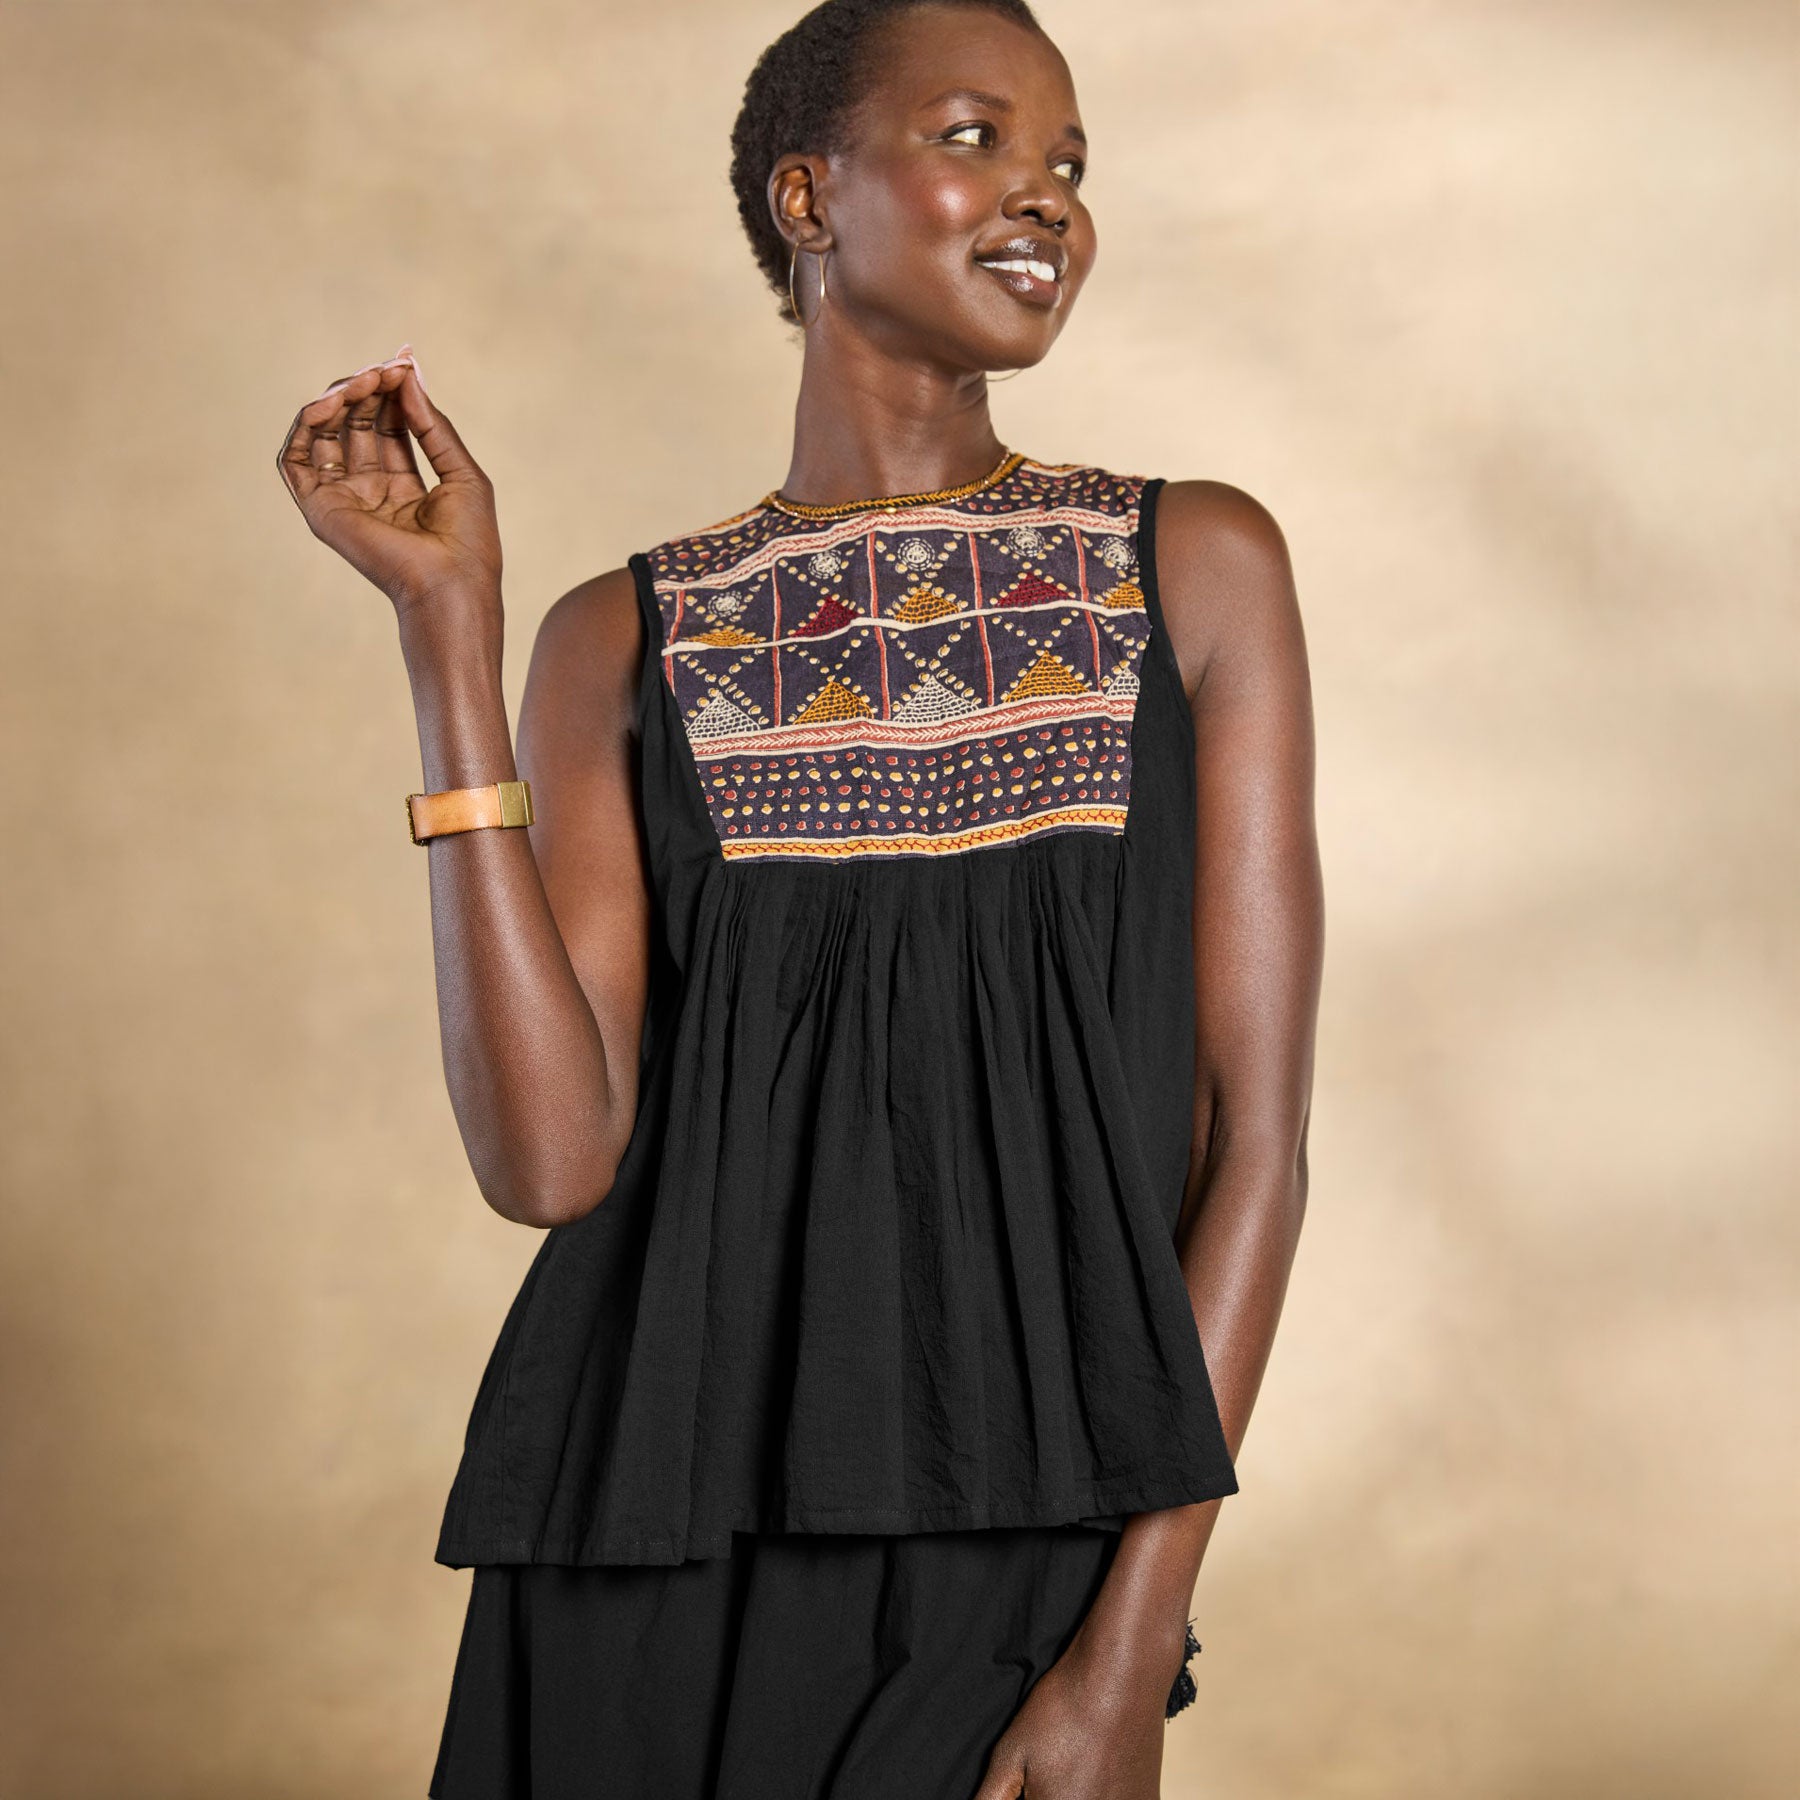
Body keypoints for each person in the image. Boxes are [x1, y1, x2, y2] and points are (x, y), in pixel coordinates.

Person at [275, 0, 1323, 1793]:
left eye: (1070, 164)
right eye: (978, 138)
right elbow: (550, 1165)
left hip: (1029, 1554)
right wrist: (450, 636)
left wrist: (1128, 1656)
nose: (1049, 197)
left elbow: (1256, 1146)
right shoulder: (618, 637)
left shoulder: (1194, 566)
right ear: (808, 197)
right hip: (642, 1548)